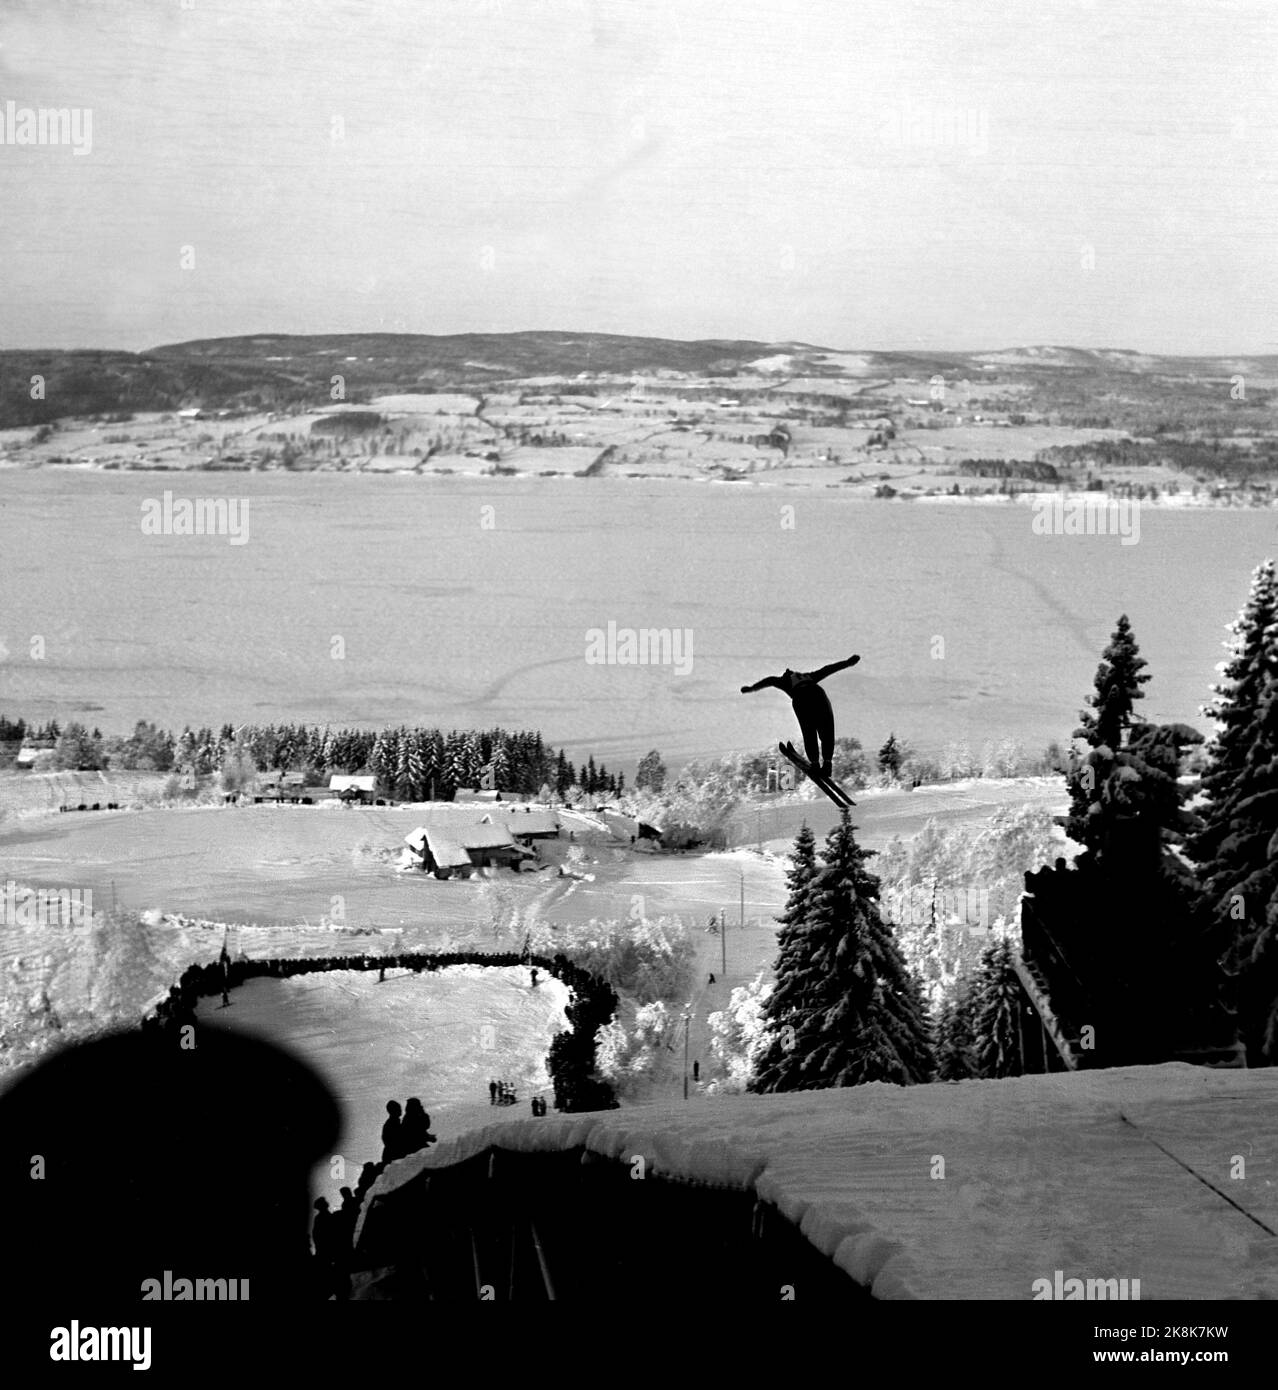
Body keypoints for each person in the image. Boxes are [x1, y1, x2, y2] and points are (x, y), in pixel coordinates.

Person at [740, 654, 861, 778]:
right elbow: (828, 669)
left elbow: (769, 680)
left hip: (801, 698)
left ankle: (815, 764)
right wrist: (848, 662)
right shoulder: (809, 676)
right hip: (819, 695)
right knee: (826, 730)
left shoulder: (784, 680)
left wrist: (751, 688)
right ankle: (827, 764)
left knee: (809, 731)